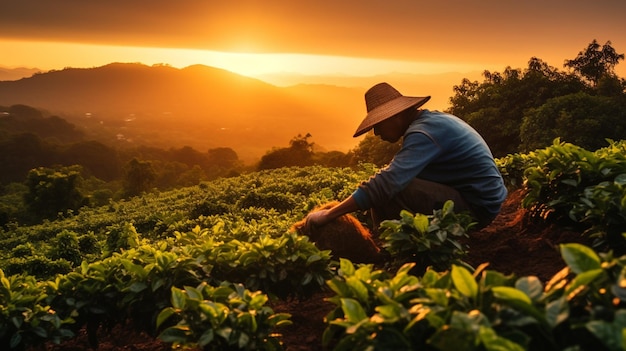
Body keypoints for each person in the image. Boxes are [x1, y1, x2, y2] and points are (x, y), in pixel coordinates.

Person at [306, 82, 507, 231]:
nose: (376, 133)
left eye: (378, 125)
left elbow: (387, 183)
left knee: (391, 190)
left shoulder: (422, 134)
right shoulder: (431, 122)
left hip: (478, 209)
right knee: (391, 184)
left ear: (396, 116)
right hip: (478, 200)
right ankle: (387, 240)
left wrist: (329, 214)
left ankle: (396, 249)